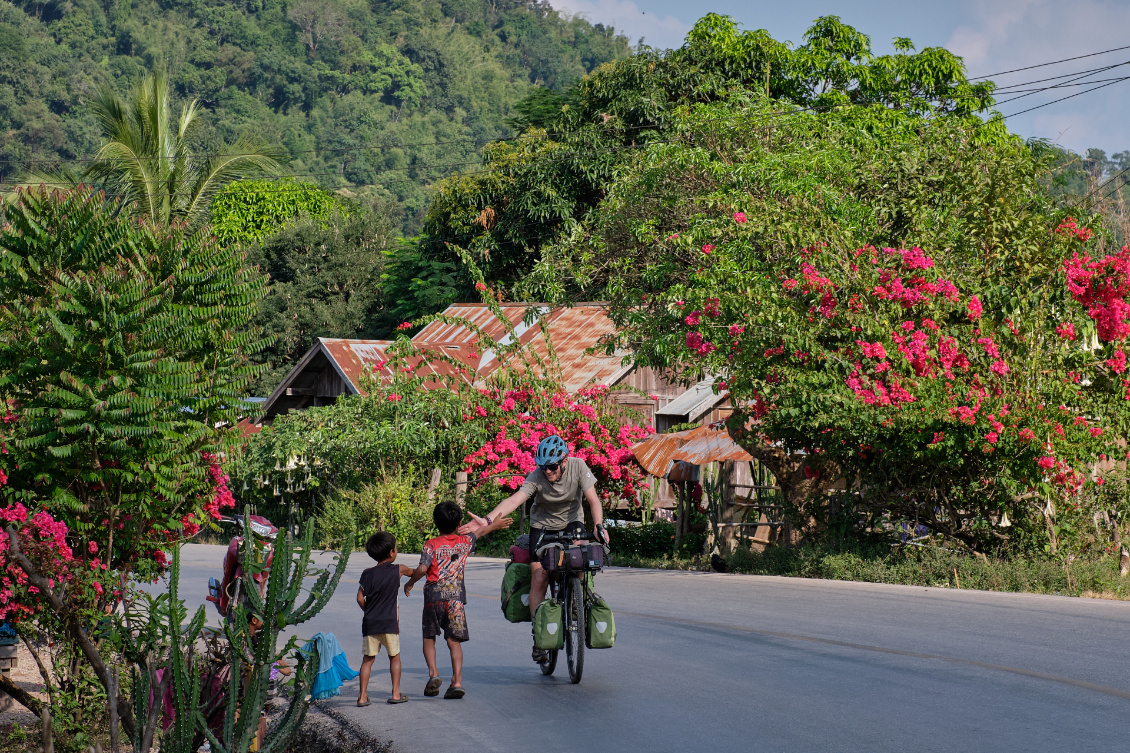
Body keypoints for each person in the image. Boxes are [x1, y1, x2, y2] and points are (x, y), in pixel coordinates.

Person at [459, 434, 609, 664]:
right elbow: (515, 500)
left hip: (572, 523)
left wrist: (598, 526)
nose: (547, 471)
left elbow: (594, 501)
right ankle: (539, 637)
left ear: (564, 461)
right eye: (543, 467)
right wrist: (487, 520)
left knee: (581, 558)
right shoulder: (537, 476)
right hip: (542, 527)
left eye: (552, 467)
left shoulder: (578, 466)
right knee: (540, 577)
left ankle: (576, 604)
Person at [405, 501, 501, 699]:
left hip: (433, 598)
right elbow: (480, 533)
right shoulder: (465, 542)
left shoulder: (430, 544)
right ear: (459, 523)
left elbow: (423, 569)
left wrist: (411, 582)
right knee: (454, 641)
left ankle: (434, 674)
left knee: (429, 637)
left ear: (435, 522)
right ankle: (457, 682)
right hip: (455, 599)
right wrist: (494, 525)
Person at [357, 531, 414, 706]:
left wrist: (369, 611)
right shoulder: (399, 569)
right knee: (394, 657)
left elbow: (360, 598)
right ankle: (396, 694)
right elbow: (415, 572)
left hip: (370, 623)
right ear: (392, 552)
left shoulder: (367, 573)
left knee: (368, 660)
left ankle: (362, 697)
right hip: (389, 624)